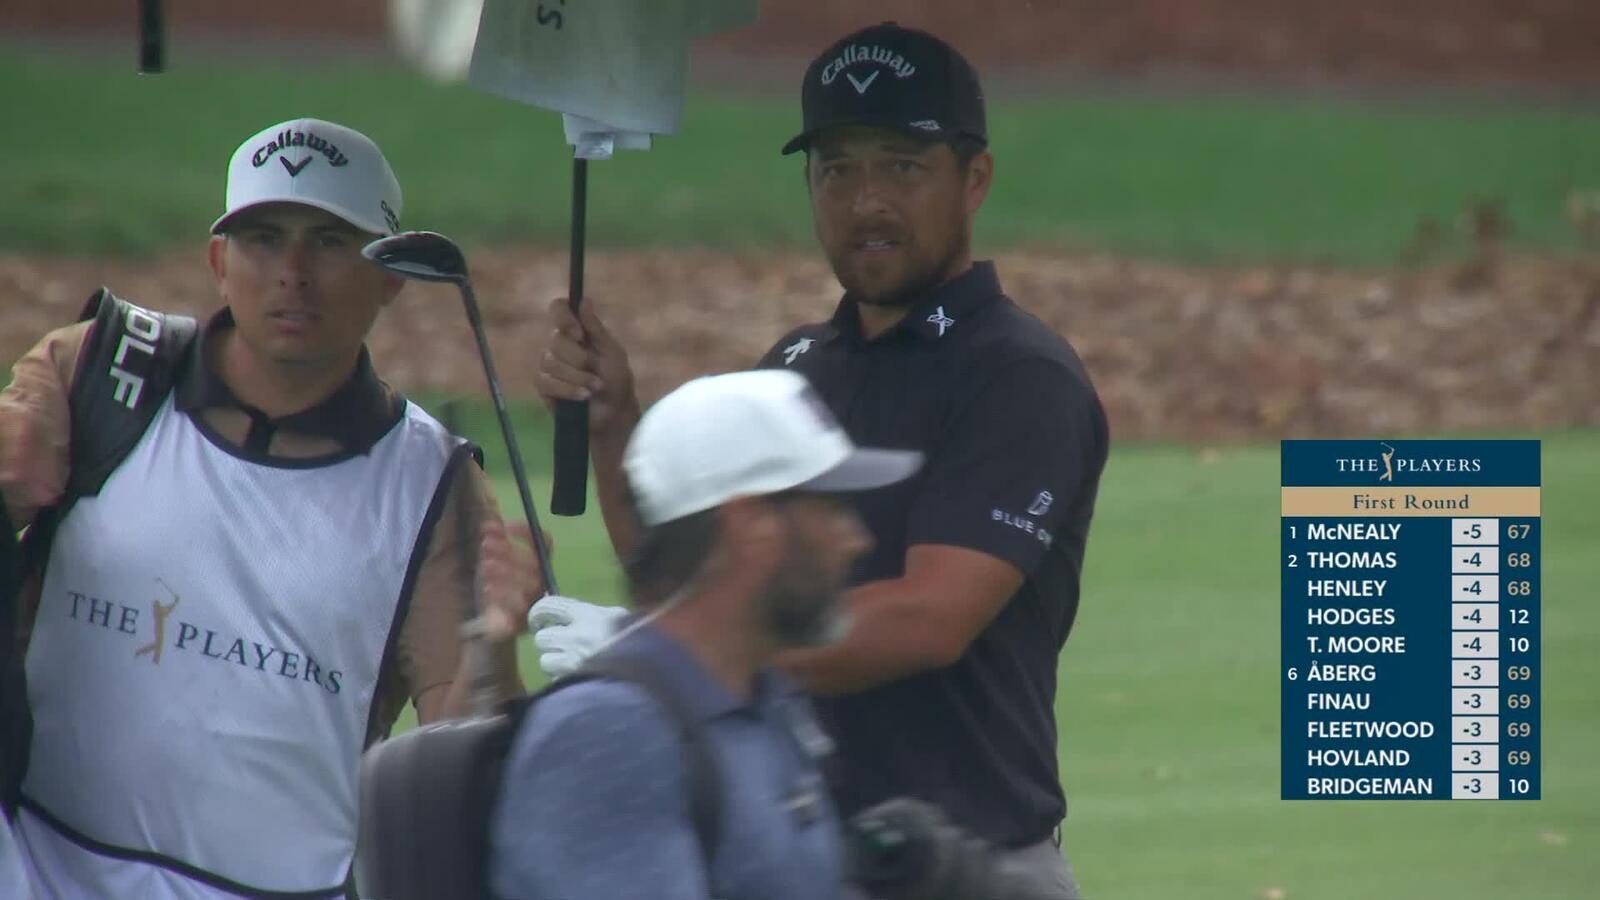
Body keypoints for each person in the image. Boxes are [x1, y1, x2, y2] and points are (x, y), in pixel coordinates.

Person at [532, 23, 1107, 898]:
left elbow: (927, 616)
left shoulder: (1018, 375)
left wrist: (656, 658)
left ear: (974, 179)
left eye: (901, 166)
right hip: (793, 858)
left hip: (968, 864)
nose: (867, 200)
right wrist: (614, 426)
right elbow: (684, 568)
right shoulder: (799, 367)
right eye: (837, 169)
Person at [0, 117, 536, 899]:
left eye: (329, 241)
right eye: (263, 239)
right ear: (220, 262)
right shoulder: (100, 369)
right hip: (36, 868)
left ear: (390, 277)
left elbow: (466, 750)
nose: (293, 273)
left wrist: (496, 655)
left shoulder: (432, 482)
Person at [489, 369, 918, 899]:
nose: (858, 540)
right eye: (831, 509)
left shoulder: (762, 699)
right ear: (751, 523)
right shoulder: (612, 734)